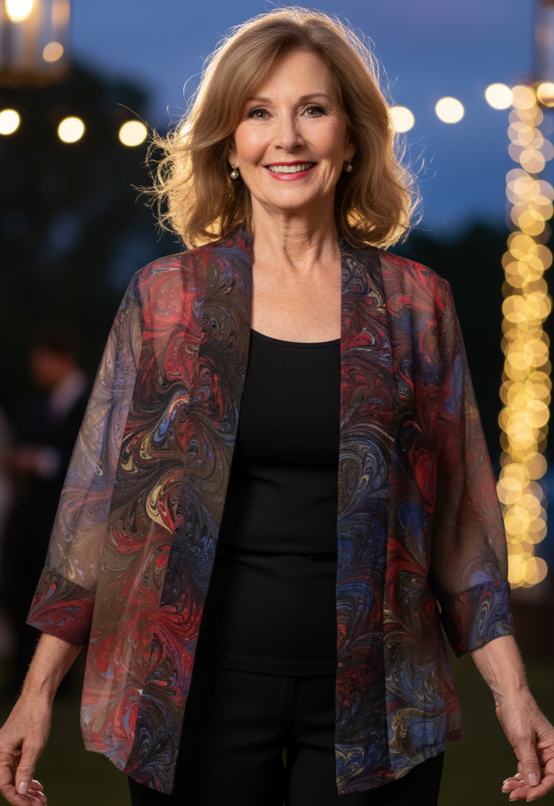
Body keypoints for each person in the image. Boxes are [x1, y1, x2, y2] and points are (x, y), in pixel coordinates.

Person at [0, 7, 552, 806]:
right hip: (191, 697)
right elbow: (95, 514)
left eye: (312, 110)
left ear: (351, 136)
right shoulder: (168, 300)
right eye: (258, 113)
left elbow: (463, 528)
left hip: (378, 701)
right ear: (229, 143)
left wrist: (513, 693)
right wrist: (34, 693)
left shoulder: (414, 305)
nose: (285, 138)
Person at [0, 326, 90, 698]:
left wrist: (40, 461)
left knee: (62, 599)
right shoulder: (35, 403)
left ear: (62, 358)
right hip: (33, 519)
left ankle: (58, 685)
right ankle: (22, 679)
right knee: (22, 592)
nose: (37, 370)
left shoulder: (93, 400)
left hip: (72, 520)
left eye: (42, 362)